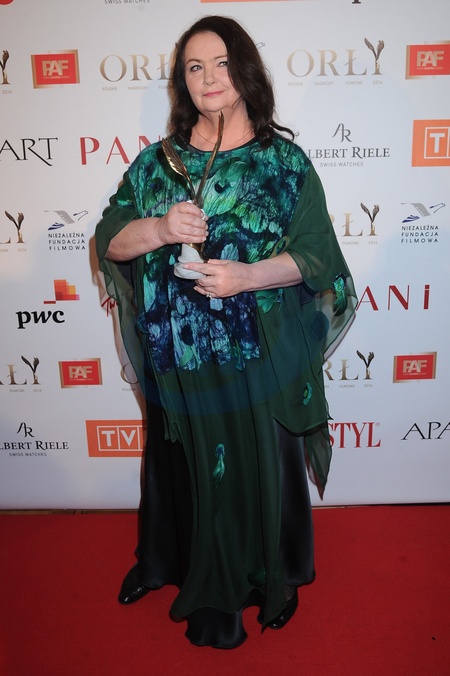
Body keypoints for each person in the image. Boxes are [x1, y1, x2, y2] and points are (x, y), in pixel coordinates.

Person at [95, 15, 357, 649]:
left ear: (244, 70)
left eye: (220, 62)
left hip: (254, 359)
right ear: (182, 82)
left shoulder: (282, 163)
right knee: (177, 468)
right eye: (195, 66)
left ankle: (271, 577)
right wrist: (160, 229)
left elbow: (318, 255)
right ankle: (165, 562)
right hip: (176, 359)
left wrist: (248, 277)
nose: (209, 77)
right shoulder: (156, 164)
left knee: (255, 471)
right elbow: (110, 241)